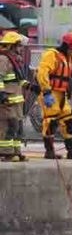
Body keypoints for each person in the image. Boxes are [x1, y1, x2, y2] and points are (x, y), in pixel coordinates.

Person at [37, 30, 72, 159]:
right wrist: (46, 91)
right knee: (51, 122)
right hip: (50, 93)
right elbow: (42, 72)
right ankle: (49, 151)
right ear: (66, 46)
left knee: (68, 121)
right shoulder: (52, 55)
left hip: (62, 94)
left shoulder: (69, 57)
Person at [0, 32, 38, 162]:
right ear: (12, 46)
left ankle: (16, 152)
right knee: (8, 126)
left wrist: (31, 87)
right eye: (19, 46)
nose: (21, 48)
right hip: (7, 99)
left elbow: (19, 80)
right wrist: (2, 95)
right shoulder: (3, 59)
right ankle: (6, 153)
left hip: (16, 99)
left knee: (17, 127)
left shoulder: (14, 59)